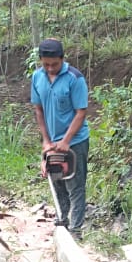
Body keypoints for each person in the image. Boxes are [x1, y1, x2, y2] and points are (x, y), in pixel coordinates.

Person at [30, 38, 90, 237]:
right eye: (45, 64)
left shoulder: (75, 78)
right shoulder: (37, 77)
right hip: (52, 142)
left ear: (62, 59)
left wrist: (66, 141)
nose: (50, 68)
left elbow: (81, 112)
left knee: (75, 185)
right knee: (57, 182)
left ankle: (76, 230)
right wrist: (46, 142)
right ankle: (62, 221)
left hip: (75, 141)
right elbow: (38, 110)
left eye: (54, 64)